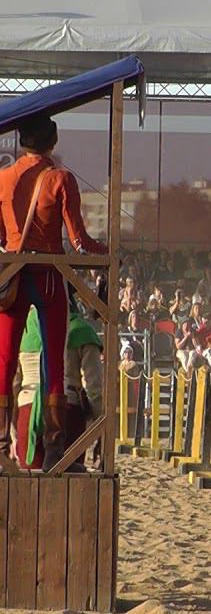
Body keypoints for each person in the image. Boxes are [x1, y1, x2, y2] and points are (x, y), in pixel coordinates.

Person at [0, 115, 107, 472]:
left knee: (5, 361)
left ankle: (1, 447)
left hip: (13, 276)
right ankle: (55, 447)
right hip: (48, 277)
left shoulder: (3, 178)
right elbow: (79, 241)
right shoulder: (61, 178)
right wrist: (108, 253)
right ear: (53, 141)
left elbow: (1, 235)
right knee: (55, 365)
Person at [14, 296, 103, 472]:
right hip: (67, 410)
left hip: (27, 412)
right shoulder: (82, 330)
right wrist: (100, 428)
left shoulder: (22, 328)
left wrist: (12, 431)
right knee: (68, 482)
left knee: (29, 481)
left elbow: (14, 384)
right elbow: (95, 389)